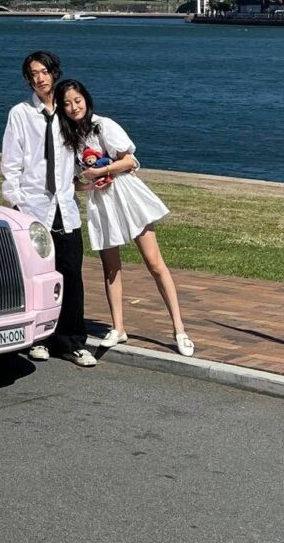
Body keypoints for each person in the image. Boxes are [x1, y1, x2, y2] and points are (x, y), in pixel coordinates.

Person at [54, 78, 195, 357]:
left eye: (77, 101)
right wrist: (89, 182)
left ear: (86, 100)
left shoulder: (103, 125)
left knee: (154, 262)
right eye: (67, 103)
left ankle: (179, 329)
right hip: (101, 201)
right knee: (110, 267)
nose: (73, 107)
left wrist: (99, 172)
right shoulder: (68, 139)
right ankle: (118, 327)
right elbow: (75, 182)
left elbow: (130, 161)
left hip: (127, 196)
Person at [0, 50, 95, 367]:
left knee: (71, 275)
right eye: (32, 74)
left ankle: (72, 342)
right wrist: (18, 203)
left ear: (54, 73)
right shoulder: (20, 114)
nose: (39, 78)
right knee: (38, 276)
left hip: (64, 208)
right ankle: (39, 339)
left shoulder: (69, 111)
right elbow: (11, 165)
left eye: (43, 72)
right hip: (33, 208)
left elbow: (88, 148)